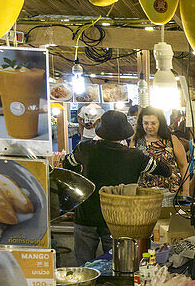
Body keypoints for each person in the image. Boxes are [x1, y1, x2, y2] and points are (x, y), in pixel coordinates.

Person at [61, 111, 171, 264]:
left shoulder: (85, 149)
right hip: (117, 220)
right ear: (123, 134)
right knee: (117, 265)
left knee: (83, 267)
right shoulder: (135, 157)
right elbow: (165, 170)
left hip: (85, 215)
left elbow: (67, 165)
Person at [131, 106, 188, 193]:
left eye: (153, 123)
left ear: (160, 123)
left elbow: (183, 166)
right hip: (145, 193)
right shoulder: (136, 141)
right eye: (146, 123)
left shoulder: (171, 140)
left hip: (171, 192)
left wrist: (186, 191)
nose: (149, 127)